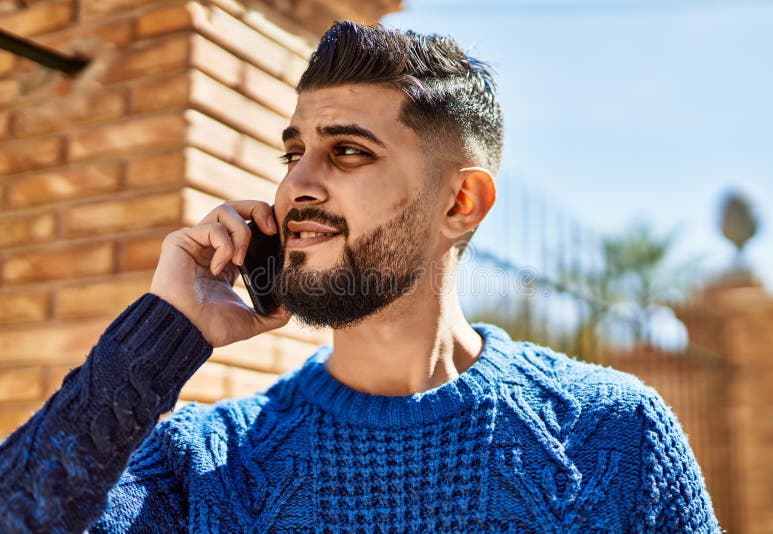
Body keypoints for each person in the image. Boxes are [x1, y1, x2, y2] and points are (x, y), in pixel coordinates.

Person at [0, 21, 720, 533]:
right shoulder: (210, 464)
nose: (296, 188)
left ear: (460, 203)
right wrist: (162, 334)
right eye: (294, 153)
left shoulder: (613, 435)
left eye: (346, 153)